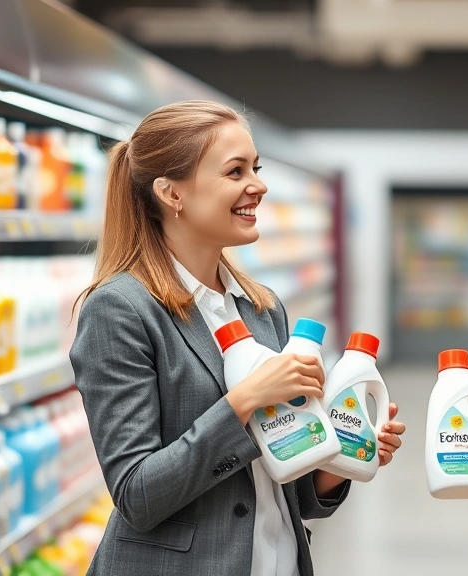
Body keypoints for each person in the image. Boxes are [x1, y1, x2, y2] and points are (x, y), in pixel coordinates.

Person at [70, 101, 406, 576]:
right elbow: (137, 495)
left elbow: (285, 481)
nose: (259, 185)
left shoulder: (262, 307)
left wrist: (341, 456)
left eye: (256, 168)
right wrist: (244, 402)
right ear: (172, 193)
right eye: (235, 171)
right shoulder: (121, 309)